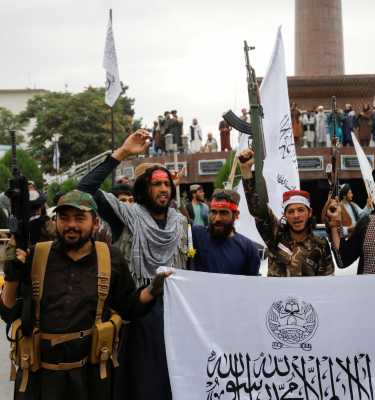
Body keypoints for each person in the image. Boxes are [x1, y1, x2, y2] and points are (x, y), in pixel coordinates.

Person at [0, 190, 169, 400]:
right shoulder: (36, 256)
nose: (71, 225)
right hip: (39, 378)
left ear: (95, 223)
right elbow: (8, 312)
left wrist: (153, 290)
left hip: (91, 379)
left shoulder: (110, 258)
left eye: (80, 218)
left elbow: (128, 307)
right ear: (55, 221)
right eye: (64, 218)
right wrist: (12, 276)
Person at [77, 131, 188, 400]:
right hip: (134, 319)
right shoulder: (125, 216)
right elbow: (83, 190)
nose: (163, 189)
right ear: (143, 189)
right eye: (155, 184)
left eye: (166, 184)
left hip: (176, 319)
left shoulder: (181, 223)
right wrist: (122, 153)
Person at [238, 148, 334, 277]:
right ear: (285, 215)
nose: (296, 216)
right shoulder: (275, 235)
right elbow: (258, 210)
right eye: (291, 211)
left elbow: (328, 282)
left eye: (301, 210)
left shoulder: (320, 244)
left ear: (309, 212)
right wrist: (246, 170)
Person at [190, 189, 260, 275]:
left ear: (236, 215)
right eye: (214, 212)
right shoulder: (196, 235)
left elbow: (251, 285)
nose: (217, 218)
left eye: (224, 213)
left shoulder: (249, 249)